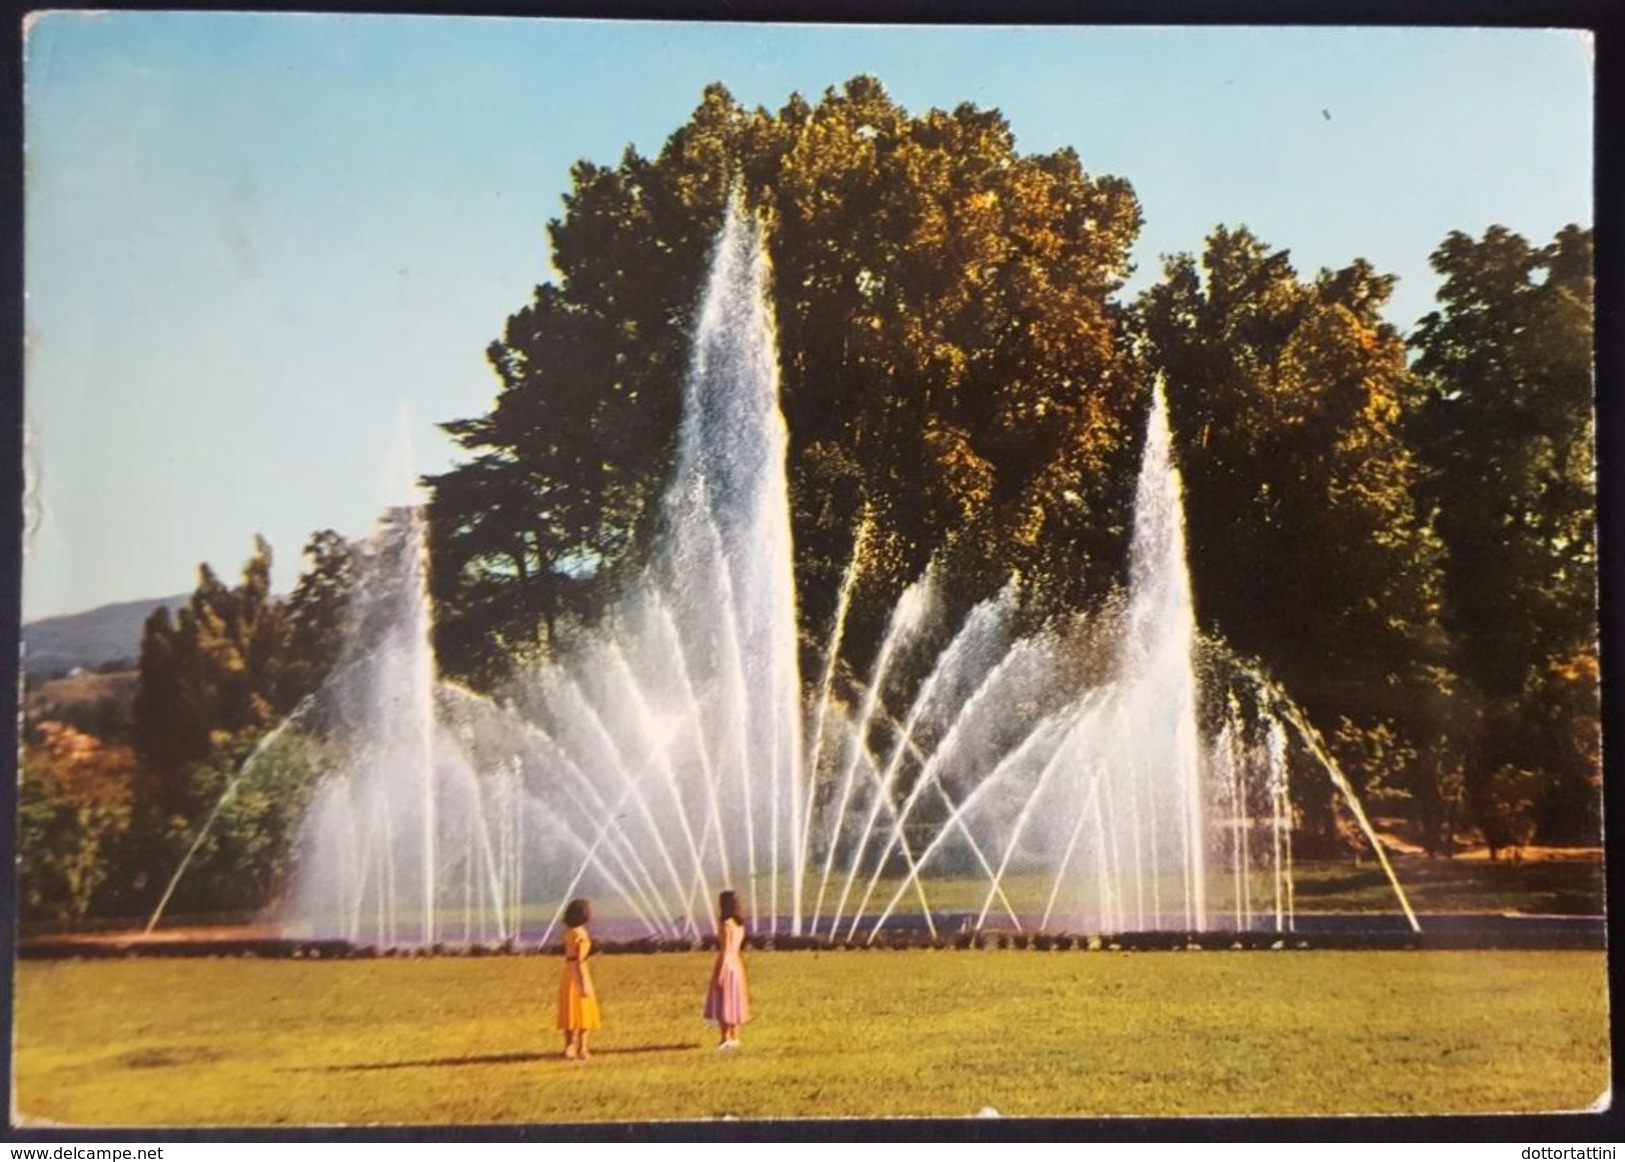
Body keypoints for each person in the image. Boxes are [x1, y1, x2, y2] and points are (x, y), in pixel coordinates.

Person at [703, 889, 751, 1050]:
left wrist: (719, 972)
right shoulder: (740, 924)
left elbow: (725, 949)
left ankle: (725, 1039)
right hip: (737, 963)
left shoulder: (726, 924)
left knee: (724, 1001)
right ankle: (735, 1037)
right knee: (735, 1000)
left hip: (727, 962)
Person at [556, 898, 601, 1060]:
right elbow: (580, 960)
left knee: (569, 1010)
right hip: (578, 972)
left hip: (568, 973)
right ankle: (582, 1048)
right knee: (583, 1011)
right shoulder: (581, 934)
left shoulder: (568, 933)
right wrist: (584, 984)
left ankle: (569, 1046)